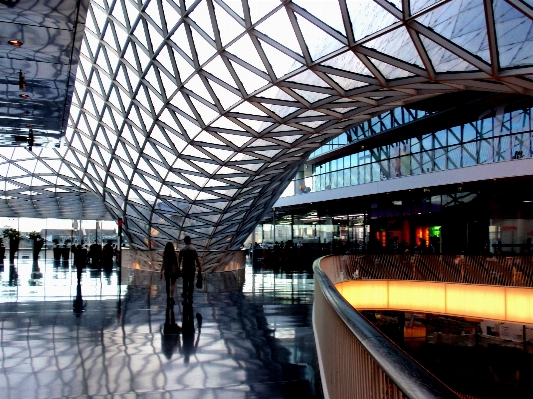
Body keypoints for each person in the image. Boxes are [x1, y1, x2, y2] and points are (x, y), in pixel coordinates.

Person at [178, 236, 201, 303]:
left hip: (185, 268)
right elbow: (197, 259)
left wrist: (178, 269)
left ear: (184, 241)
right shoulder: (193, 249)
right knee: (191, 282)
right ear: (190, 241)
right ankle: (190, 295)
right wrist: (199, 267)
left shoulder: (182, 250)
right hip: (192, 268)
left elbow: (179, 260)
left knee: (185, 282)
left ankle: (185, 294)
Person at [160, 242, 179, 306]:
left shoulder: (165, 255)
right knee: (173, 283)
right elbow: (176, 264)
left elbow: (163, 264)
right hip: (173, 271)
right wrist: (177, 270)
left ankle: (168, 296)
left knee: (167, 284)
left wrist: (161, 271)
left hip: (167, 271)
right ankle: (172, 295)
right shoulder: (175, 254)